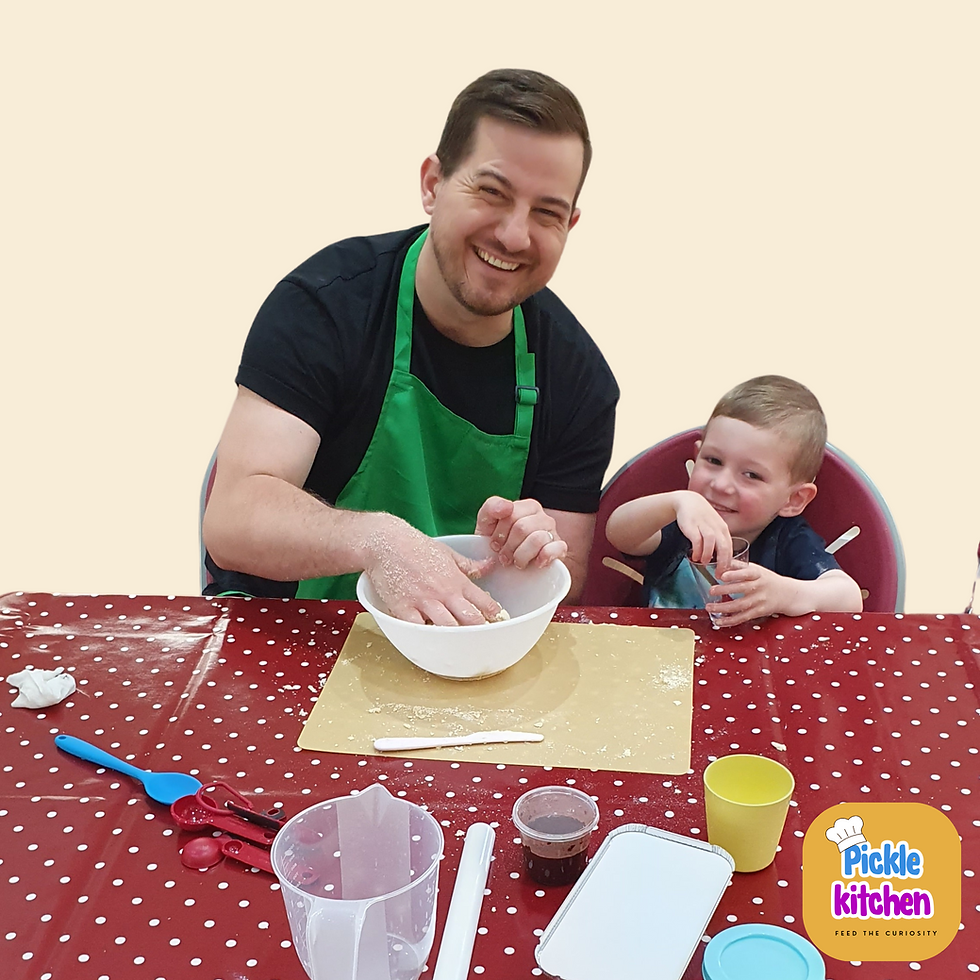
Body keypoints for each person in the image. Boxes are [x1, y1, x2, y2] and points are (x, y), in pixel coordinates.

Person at [202, 69, 619, 625]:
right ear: (432, 184)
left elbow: (563, 589)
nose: (515, 236)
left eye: (546, 212)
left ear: (571, 223)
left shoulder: (579, 380)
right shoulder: (325, 307)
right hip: (291, 635)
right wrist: (377, 540)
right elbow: (232, 519)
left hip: (465, 648)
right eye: (492, 192)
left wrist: (527, 555)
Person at [605, 376, 863, 626]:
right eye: (713, 461)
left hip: (758, 667)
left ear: (793, 500)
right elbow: (619, 533)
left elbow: (850, 598)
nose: (721, 484)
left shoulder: (788, 540)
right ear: (696, 457)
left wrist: (786, 594)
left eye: (752, 475)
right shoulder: (684, 521)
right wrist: (676, 502)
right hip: (663, 661)